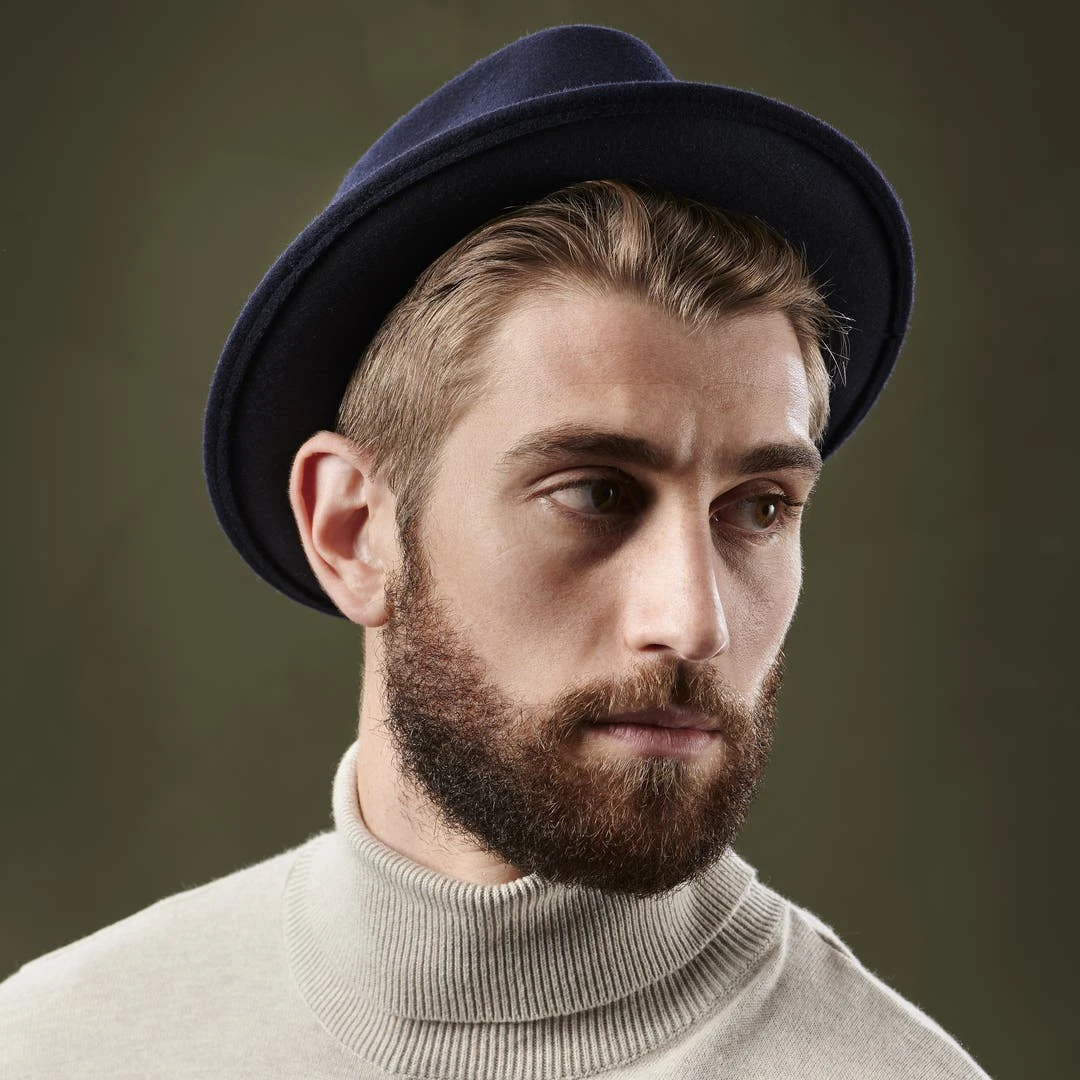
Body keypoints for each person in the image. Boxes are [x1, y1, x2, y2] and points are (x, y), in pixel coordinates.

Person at [0, 25, 989, 1079]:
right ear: (352, 530)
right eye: (597, 494)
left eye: (758, 508)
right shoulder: (58, 1048)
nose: (695, 620)